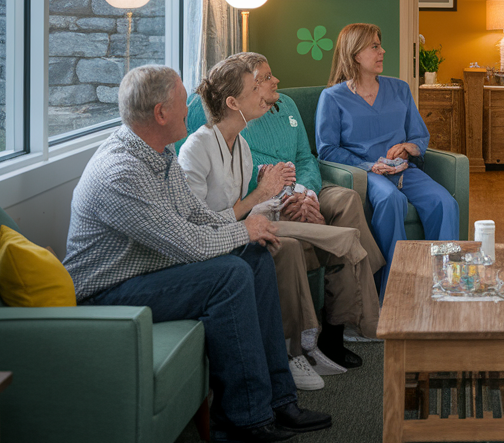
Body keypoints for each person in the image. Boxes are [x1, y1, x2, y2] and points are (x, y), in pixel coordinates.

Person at [63, 65, 330, 443]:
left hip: (145, 270)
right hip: (109, 291)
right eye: (181, 101)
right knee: (230, 273)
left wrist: (247, 232)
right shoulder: (121, 172)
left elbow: (196, 215)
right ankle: (243, 420)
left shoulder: (158, 154)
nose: (191, 108)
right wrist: (244, 227)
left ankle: (278, 399)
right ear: (160, 113)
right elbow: (188, 244)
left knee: (253, 258)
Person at [179, 53, 378, 391]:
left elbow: (304, 159)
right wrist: (273, 196)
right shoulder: (203, 139)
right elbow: (209, 217)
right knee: (303, 245)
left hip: (276, 202)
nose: (272, 84)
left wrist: (302, 196)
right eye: (261, 81)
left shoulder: (256, 130)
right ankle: (301, 347)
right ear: (236, 98)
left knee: (342, 213)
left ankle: (336, 329)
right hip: (238, 223)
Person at [315, 23, 459, 295]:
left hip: (405, 170)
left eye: (380, 45)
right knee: (392, 201)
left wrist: (408, 147)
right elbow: (328, 150)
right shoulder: (332, 98)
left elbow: (420, 136)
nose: (383, 51)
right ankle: (395, 291)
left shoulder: (400, 89)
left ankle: (446, 285)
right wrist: (370, 166)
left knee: (445, 203)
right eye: (375, 47)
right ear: (356, 54)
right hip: (366, 174)